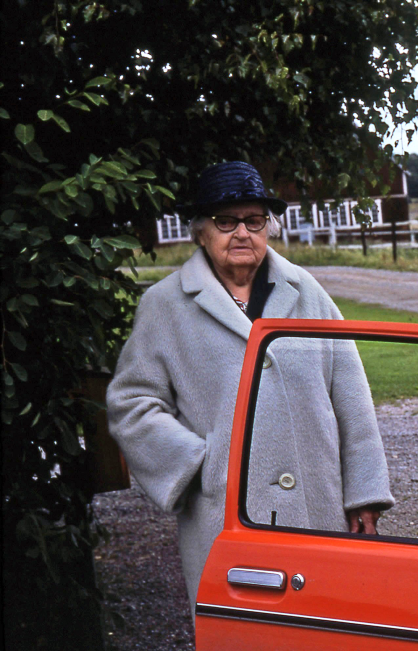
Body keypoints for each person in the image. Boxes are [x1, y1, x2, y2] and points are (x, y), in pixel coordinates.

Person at [107, 161, 394, 611]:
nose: (242, 232)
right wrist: (201, 464)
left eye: (254, 220)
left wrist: (364, 493)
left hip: (318, 508)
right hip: (226, 518)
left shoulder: (308, 291)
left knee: (324, 625)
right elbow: (132, 403)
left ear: (268, 228)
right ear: (200, 231)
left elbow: (352, 395)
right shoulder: (164, 305)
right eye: (226, 221)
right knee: (243, 627)